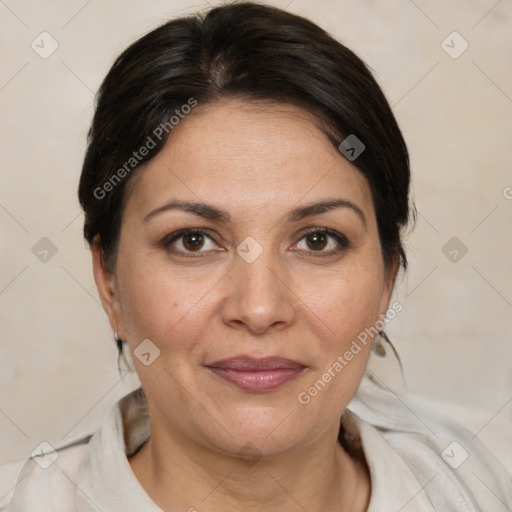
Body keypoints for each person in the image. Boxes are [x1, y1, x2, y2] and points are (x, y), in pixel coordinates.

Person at [1, 2, 510, 510]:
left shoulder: (486, 477)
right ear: (109, 282)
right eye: (193, 241)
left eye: (317, 240)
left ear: (385, 282)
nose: (260, 308)